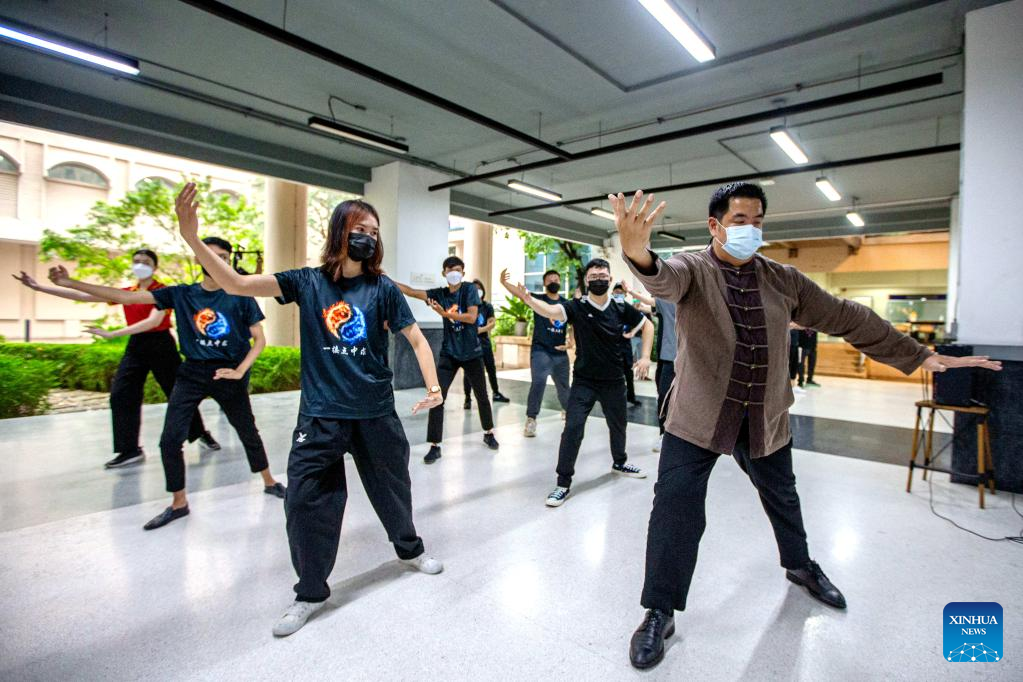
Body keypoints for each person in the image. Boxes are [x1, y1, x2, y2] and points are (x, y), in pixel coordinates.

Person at [611, 184, 1003, 670]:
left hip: (764, 416)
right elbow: (662, 278)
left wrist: (919, 354)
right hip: (698, 416)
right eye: (738, 220)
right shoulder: (694, 269)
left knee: (783, 497)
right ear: (714, 226)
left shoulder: (783, 280)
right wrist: (635, 252)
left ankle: (799, 566)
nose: (749, 228)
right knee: (675, 507)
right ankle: (659, 611)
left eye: (757, 220)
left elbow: (846, 316)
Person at [172, 185, 445, 636]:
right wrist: (193, 239)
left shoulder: (383, 288)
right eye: (361, 229)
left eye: (375, 233)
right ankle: (310, 592)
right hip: (320, 415)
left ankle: (409, 549)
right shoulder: (306, 281)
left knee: (394, 490)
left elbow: (415, 339)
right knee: (305, 503)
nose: (369, 238)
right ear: (339, 230)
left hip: (375, 412)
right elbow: (238, 284)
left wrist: (433, 386)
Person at [48, 236, 286, 531]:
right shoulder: (182, 294)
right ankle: (178, 503)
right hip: (192, 373)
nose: (218, 262)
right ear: (200, 259)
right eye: (212, 256)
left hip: (229, 373)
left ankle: (269, 480)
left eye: (224, 257)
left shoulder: (240, 295)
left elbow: (259, 339)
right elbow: (127, 297)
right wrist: (71, 283)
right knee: (170, 439)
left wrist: (240, 371)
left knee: (247, 430)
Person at [13, 253, 219, 468]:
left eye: (146, 263)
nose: (140, 266)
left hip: (161, 345)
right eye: (137, 262)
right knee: (121, 394)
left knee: (177, 394)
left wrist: (113, 333)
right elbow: (84, 296)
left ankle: (200, 432)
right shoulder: (127, 292)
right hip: (136, 345)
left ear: (155, 267)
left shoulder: (162, 292)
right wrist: (39, 288)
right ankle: (129, 449)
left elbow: (152, 321)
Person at [500, 260, 654, 507]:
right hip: (584, 381)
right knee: (573, 428)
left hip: (614, 380)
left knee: (619, 425)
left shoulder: (620, 306)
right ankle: (563, 483)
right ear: (586, 281)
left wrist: (645, 357)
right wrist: (528, 298)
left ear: (610, 277)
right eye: (593, 276)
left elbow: (647, 326)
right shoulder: (576, 307)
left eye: (603, 275)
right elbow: (550, 311)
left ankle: (620, 462)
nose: (599, 279)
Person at [396, 257, 499, 463]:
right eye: (451, 270)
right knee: (436, 397)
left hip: (472, 352)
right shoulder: (440, 294)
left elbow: (471, 317)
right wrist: (385, 279)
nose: (455, 273)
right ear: (444, 272)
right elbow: (411, 291)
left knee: (481, 395)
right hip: (449, 353)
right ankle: (435, 446)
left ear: (463, 272)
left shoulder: (469, 290)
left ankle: (489, 433)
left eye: (459, 270)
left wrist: (444, 313)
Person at [523, 269, 572, 438]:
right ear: (544, 283)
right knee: (538, 382)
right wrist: (504, 283)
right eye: (550, 279)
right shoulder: (539, 300)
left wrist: (571, 342)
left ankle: (568, 413)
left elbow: (574, 325)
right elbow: (522, 294)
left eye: (556, 279)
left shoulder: (566, 304)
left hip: (559, 353)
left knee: (564, 388)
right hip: (541, 350)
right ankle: (531, 419)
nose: (554, 281)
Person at [626, 285, 676, 450]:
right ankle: (664, 434)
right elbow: (650, 303)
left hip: (688, 360)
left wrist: (633, 293)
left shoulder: (695, 300)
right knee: (663, 397)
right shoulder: (668, 300)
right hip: (668, 359)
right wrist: (633, 294)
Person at [463, 278, 510, 409]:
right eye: (474, 289)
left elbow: (492, 322)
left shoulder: (487, 306)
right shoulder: (466, 306)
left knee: (491, 368)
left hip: (484, 342)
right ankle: (467, 398)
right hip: (470, 344)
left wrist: (479, 330)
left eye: (479, 289)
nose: (478, 291)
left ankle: (496, 393)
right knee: (469, 372)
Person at [612, 283, 642, 407]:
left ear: (625, 294)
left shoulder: (628, 308)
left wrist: (633, 332)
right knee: (614, 375)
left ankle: (631, 397)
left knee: (628, 374)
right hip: (613, 348)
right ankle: (615, 398)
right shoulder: (609, 308)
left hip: (625, 347)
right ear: (612, 293)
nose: (618, 294)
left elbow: (642, 322)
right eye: (616, 292)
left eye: (621, 292)